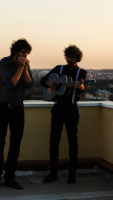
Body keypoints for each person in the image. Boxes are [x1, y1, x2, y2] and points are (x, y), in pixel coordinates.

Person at [40, 45, 87, 184]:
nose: (70, 59)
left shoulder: (81, 73)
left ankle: (72, 174)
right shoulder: (58, 69)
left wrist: (82, 87)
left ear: (77, 58)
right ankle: (53, 173)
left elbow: (82, 87)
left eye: (72, 57)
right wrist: (50, 83)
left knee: (73, 142)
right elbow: (43, 81)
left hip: (72, 109)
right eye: (68, 56)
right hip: (58, 109)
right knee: (54, 142)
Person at [0, 39, 33, 190]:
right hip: (2, 107)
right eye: (22, 52)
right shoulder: (4, 63)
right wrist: (20, 67)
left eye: (26, 53)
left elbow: (28, 84)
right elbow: (12, 83)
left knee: (15, 145)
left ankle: (10, 178)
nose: (25, 55)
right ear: (15, 52)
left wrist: (25, 68)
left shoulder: (25, 65)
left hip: (18, 108)